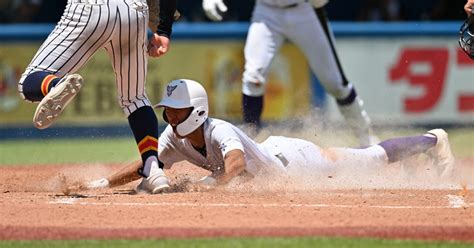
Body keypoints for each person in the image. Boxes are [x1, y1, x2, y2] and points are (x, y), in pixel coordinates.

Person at [72, 79, 455, 193]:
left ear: (197, 110)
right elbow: (148, 161)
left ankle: (434, 139)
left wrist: (210, 184)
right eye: (167, 110)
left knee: (369, 158)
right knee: (367, 159)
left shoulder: (217, 129)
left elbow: (236, 165)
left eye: (175, 110)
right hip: (275, 155)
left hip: (297, 161)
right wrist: (102, 181)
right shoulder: (174, 136)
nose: (169, 116)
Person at [18, 0, 178, 194]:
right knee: (134, 98)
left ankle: (55, 84)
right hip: (134, 11)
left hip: (91, 9)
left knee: (28, 83)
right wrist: (163, 29)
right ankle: (153, 169)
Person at [202, 0, 379, 147]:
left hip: (304, 10)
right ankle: (250, 141)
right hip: (266, 12)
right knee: (253, 76)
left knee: (335, 84)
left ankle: (366, 136)